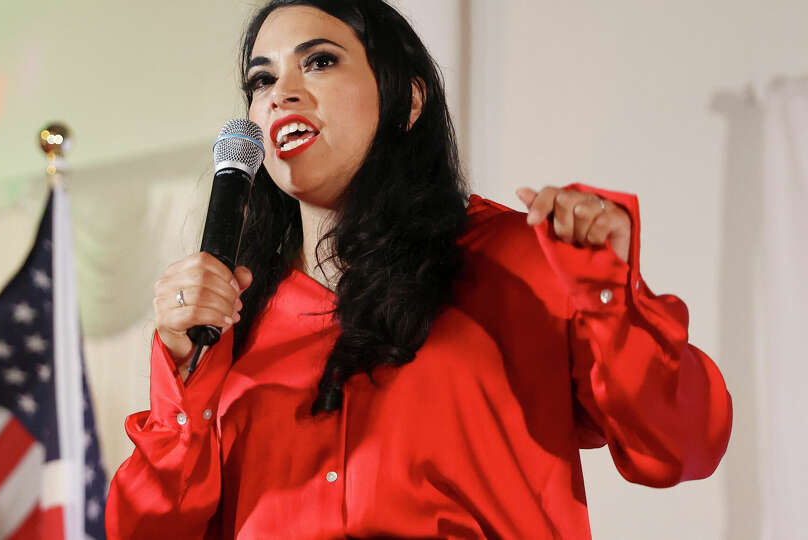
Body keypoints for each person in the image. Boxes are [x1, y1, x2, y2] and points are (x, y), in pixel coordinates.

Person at [105, 0, 733, 538]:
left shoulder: (515, 261)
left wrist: (606, 298)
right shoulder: (232, 317)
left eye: (319, 61)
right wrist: (182, 384)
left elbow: (682, 446)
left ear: (406, 98)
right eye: (261, 81)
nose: (282, 93)